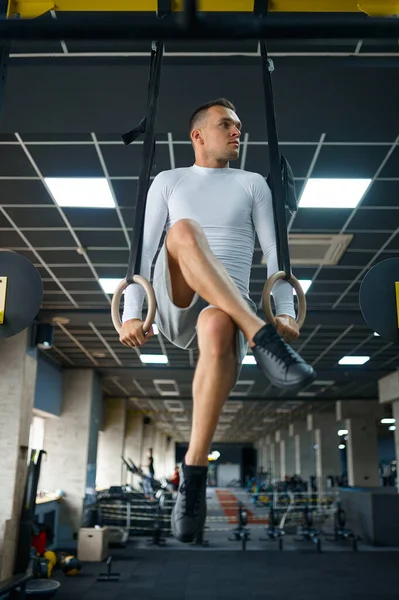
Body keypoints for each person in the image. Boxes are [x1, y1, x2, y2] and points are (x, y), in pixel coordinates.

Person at [119, 98, 315, 543]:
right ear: (198, 135)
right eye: (226, 124)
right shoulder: (169, 181)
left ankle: (194, 470)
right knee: (183, 231)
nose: (235, 132)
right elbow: (142, 253)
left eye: (239, 126)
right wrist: (131, 313)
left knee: (217, 323)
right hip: (176, 296)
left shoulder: (252, 185)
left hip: (226, 310)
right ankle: (261, 335)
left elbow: (275, 258)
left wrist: (285, 308)